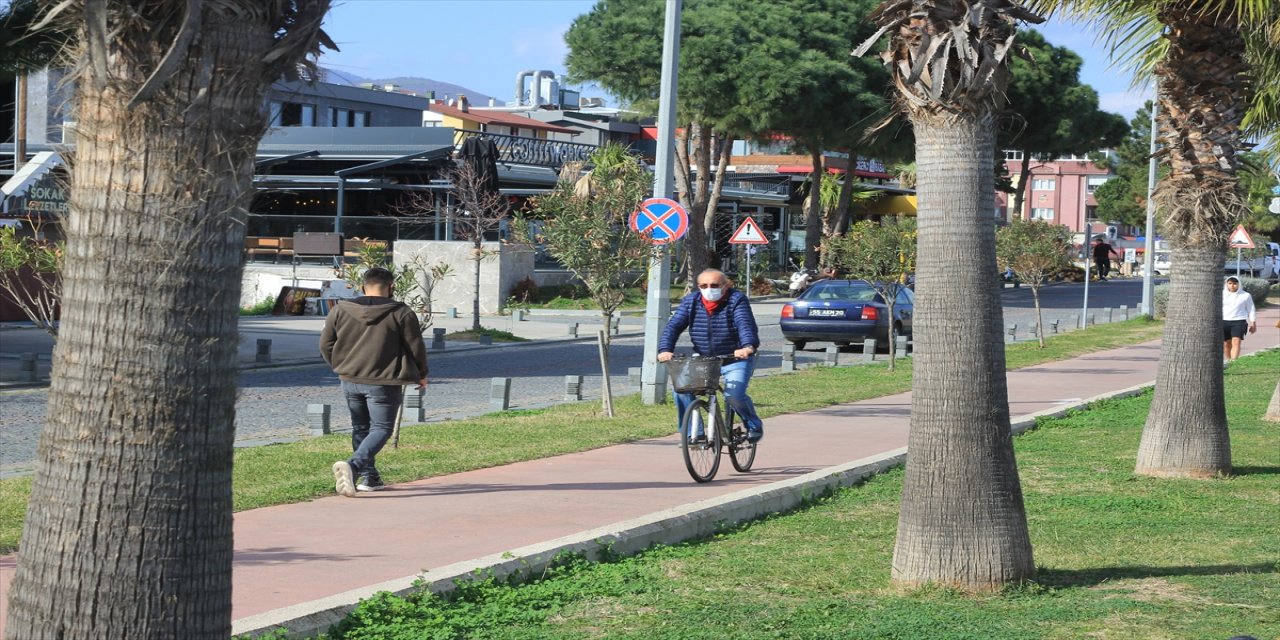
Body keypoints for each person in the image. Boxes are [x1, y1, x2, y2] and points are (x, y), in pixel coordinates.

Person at [320, 267, 429, 497]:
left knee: (361, 428)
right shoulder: (401, 312)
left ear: (362, 287)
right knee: (381, 428)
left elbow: (326, 344)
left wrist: (340, 366)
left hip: (349, 379)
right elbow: (415, 346)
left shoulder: (340, 310)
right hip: (384, 381)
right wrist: (421, 373)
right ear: (392, 287)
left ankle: (369, 477)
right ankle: (354, 466)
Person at [657, 269, 765, 443]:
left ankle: (753, 424)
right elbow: (673, 327)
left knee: (733, 395)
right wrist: (664, 349)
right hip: (705, 360)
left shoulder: (736, 300)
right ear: (698, 287)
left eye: (714, 285)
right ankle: (694, 432)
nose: (709, 289)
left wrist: (747, 346)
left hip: (735, 358)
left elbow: (744, 324)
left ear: (725, 285)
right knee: (681, 389)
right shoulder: (691, 301)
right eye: (704, 286)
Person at [1221, 276, 1256, 362]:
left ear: (1238, 284)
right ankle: (1229, 360)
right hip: (1223, 321)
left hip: (1239, 322)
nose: (1232, 286)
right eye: (1230, 283)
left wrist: (1253, 323)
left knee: (1236, 341)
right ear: (1227, 284)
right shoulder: (1221, 294)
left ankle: (1233, 362)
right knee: (1226, 344)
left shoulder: (1246, 295)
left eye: (1235, 283)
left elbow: (1251, 309)